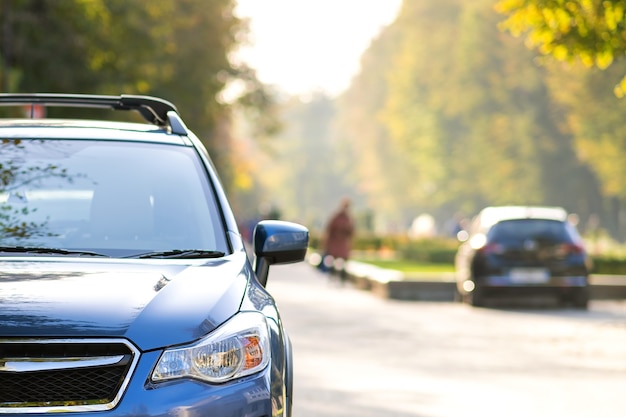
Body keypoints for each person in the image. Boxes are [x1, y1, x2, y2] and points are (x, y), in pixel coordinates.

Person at [321, 198, 355, 283]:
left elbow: (352, 232)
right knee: (333, 260)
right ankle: (332, 276)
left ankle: (342, 279)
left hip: (343, 242)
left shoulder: (349, 218)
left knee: (342, 261)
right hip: (335, 241)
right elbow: (329, 229)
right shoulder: (337, 217)